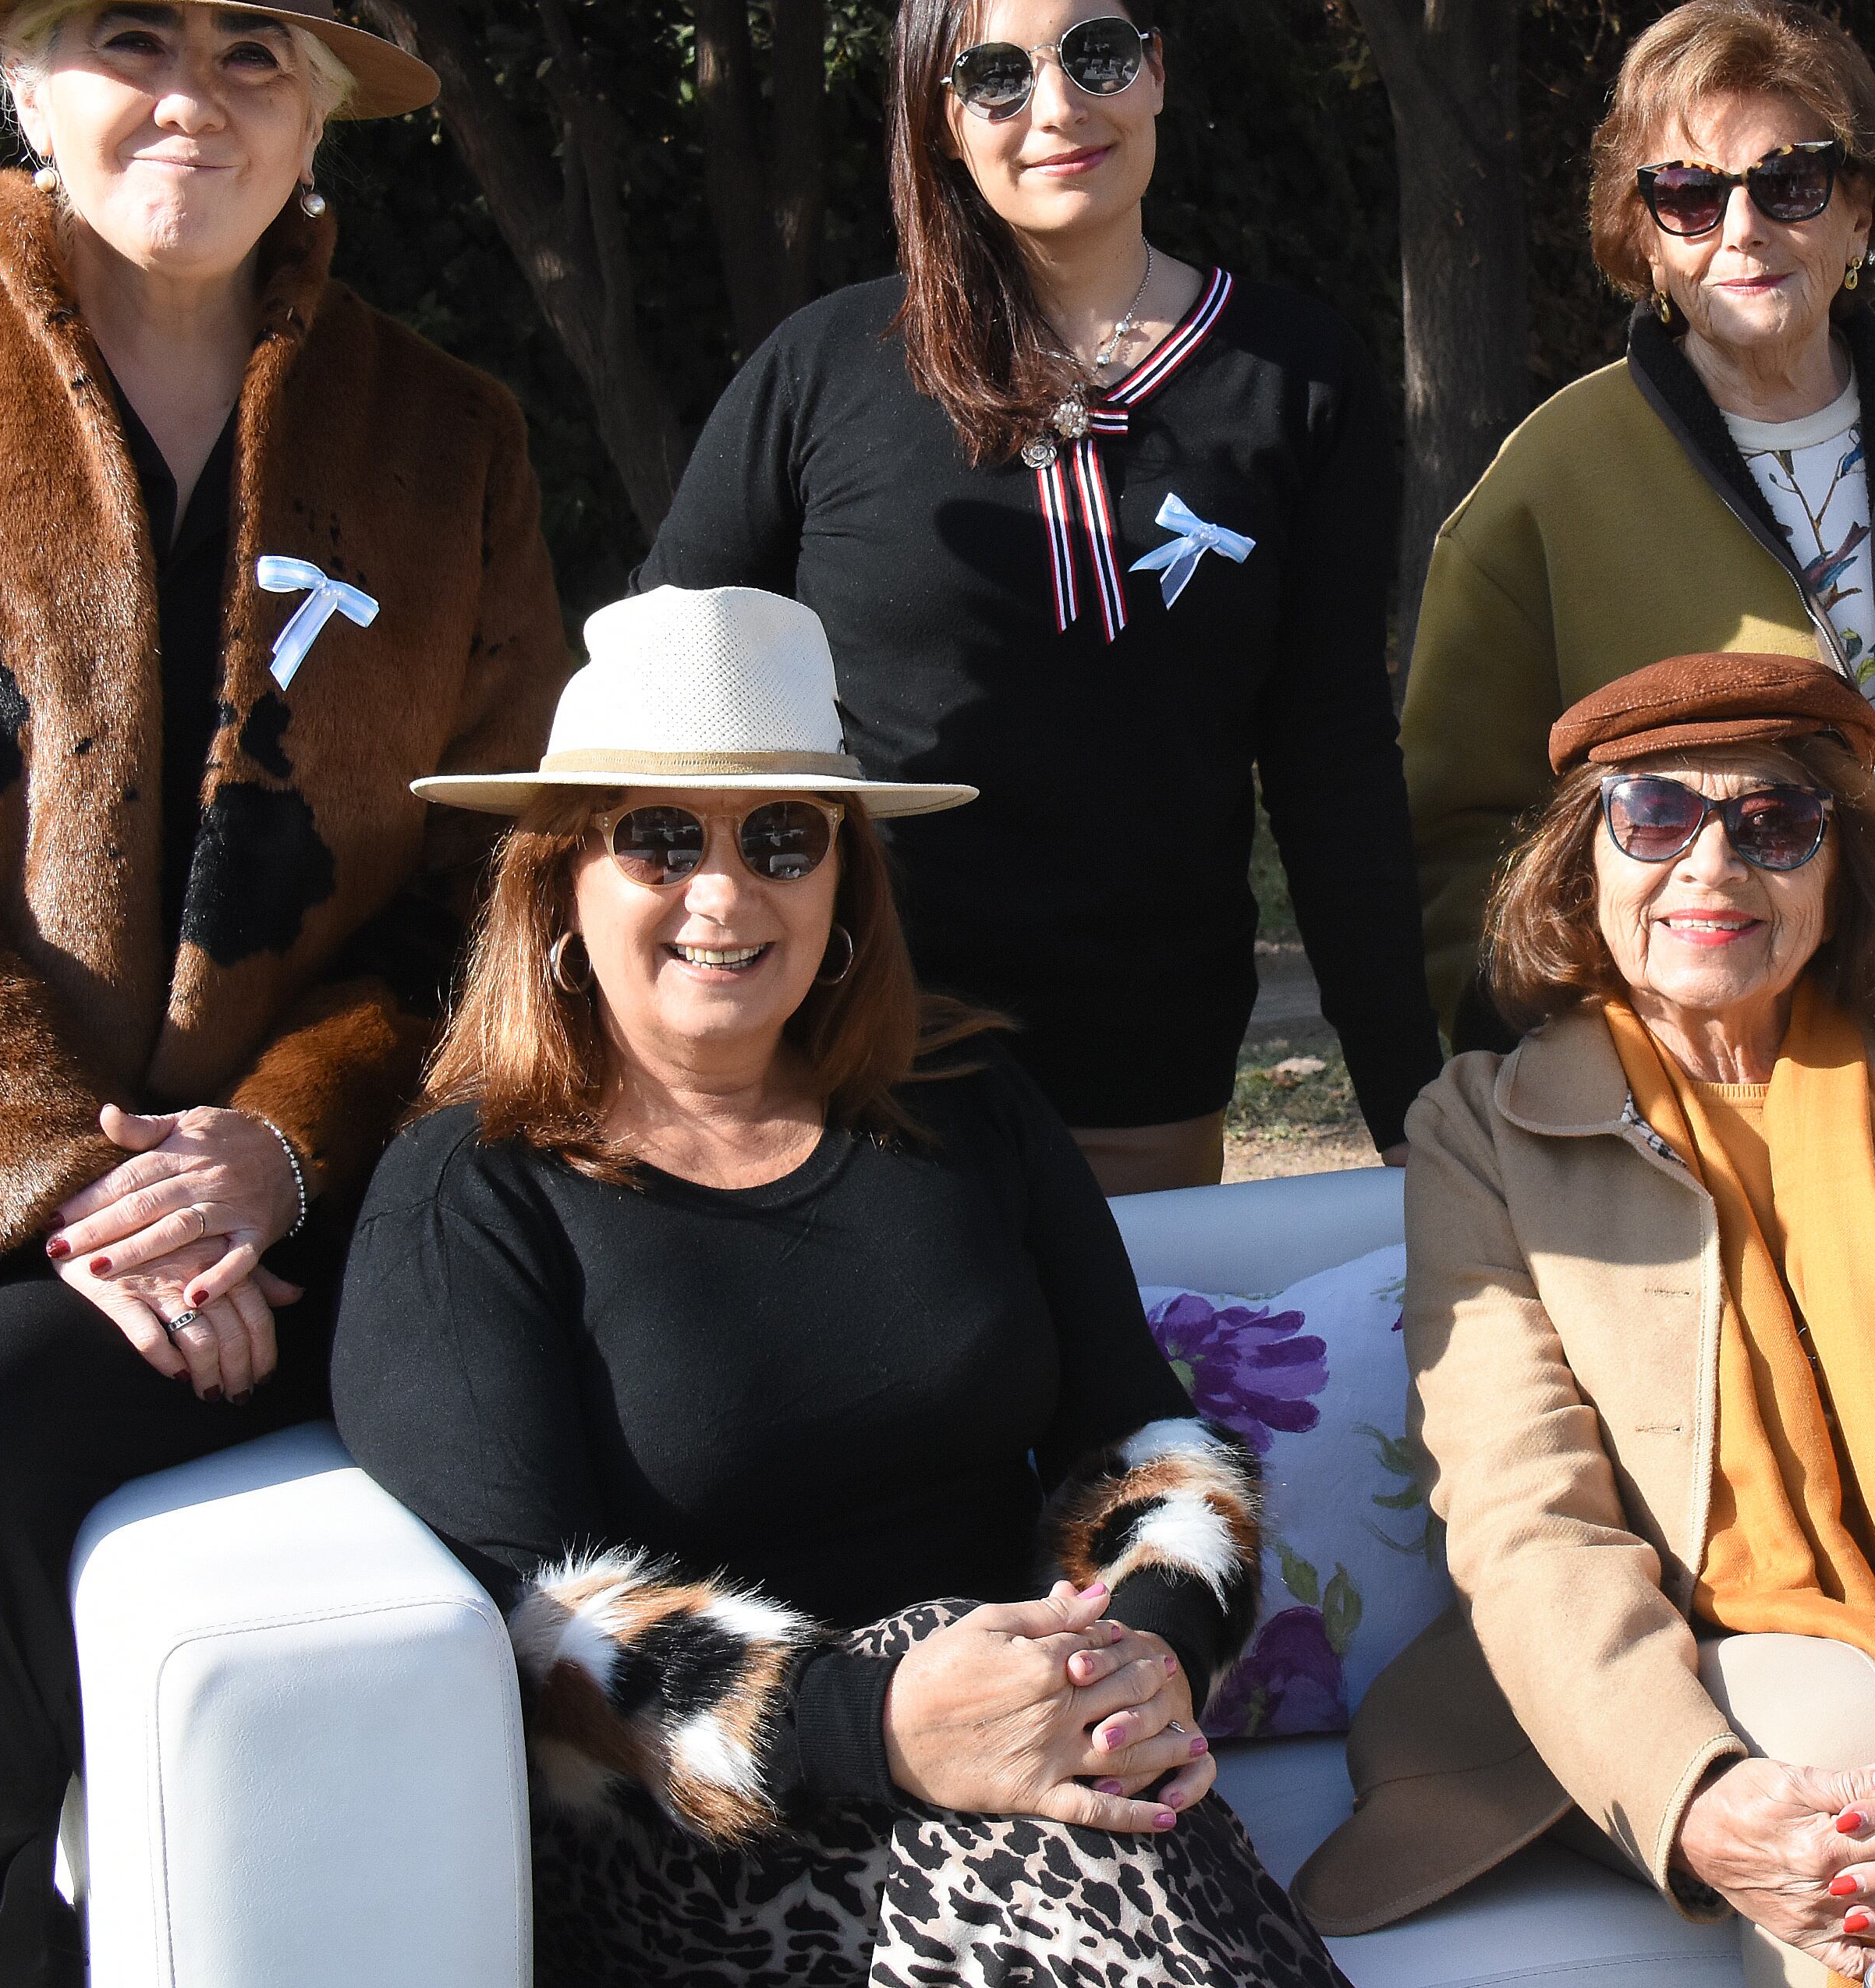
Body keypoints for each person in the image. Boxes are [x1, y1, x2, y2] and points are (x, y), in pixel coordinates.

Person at [0, 0, 564, 1985]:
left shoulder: (447, 437)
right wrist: (48, 1187)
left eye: (250, 50)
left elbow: (493, 881)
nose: (190, 92)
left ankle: (0, 1920)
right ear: (26, 81)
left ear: (314, 104)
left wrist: (280, 1147)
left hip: (315, 1169)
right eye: (128, 38)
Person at [335, 583, 1349, 1986]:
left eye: (782, 838)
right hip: (693, 1834)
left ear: (844, 883)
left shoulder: (971, 1103)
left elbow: (1144, 1438)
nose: (724, 890)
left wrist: (1145, 1648)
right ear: (562, 881)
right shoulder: (472, 1189)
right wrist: (877, 1718)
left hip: (1040, 1735)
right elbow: (526, 1613)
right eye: (659, 838)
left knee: (1091, 1813)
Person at [1292, 652, 1875, 1988]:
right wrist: (1687, 1794)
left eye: (1774, 824)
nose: (1710, 865)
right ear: (1583, 865)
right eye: (1652, 817)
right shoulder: (1480, 1127)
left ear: (1837, 869)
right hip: (1638, 1694)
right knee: (1851, 1768)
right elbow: (1526, 1517)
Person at [636, 0, 1437, 1195]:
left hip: (1148, 1077)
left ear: (1157, 71)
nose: (1058, 109)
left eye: (1096, 55)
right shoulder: (824, 369)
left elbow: (1329, 755)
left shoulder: (1301, 377)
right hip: (843, 1068)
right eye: (995, 76)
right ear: (938, 119)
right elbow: (657, 710)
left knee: (1133, 1394)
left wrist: (1407, 1093)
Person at [1404, 0, 1875, 1047]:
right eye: (1686, 194)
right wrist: (1583, 1034)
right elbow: (1454, 834)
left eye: (1789, 182)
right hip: (1702, 1083)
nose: (1742, 230)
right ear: (1638, 233)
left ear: (1857, 211)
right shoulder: (1547, 480)